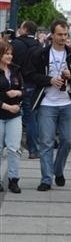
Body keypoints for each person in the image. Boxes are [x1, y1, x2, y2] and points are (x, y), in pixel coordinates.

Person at [26, 20, 71, 192]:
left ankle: (58, 170)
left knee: (67, 140)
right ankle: (46, 179)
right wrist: (49, 80)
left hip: (67, 103)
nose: (63, 38)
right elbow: (29, 74)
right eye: (59, 34)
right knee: (46, 142)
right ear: (52, 35)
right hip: (47, 103)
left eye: (65, 35)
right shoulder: (40, 54)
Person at [11, 20, 41, 159]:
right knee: (31, 117)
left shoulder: (16, 44)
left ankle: (11, 146)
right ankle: (33, 149)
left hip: (16, 84)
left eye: (20, 27)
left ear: (25, 29)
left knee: (11, 113)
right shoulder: (39, 46)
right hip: (33, 85)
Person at [0, 41, 24, 193]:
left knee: (14, 148)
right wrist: (6, 105)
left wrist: (19, 93)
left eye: (10, 53)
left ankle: (13, 179)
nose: (9, 56)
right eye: (6, 53)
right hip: (1, 113)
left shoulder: (15, 70)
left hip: (15, 115)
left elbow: (24, 90)